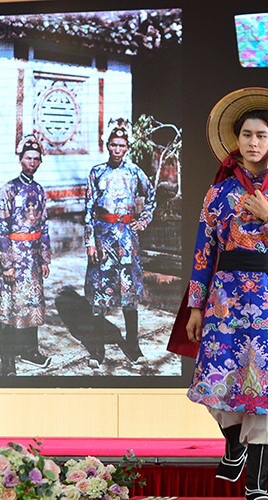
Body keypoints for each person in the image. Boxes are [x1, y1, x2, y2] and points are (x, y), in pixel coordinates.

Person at [176, 87, 268, 500]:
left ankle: (257, 481)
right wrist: (195, 307)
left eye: (262, 136)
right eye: (247, 135)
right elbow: (203, 254)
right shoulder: (217, 194)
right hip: (225, 297)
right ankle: (234, 443)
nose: (253, 142)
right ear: (236, 140)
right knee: (215, 378)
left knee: (267, 384)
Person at [84, 120, 156, 368]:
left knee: (129, 291)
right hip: (103, 238)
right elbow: (88, 209)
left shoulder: (134, 172)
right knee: (99, 292)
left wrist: (142, 221)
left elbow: (152, 196)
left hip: (127, 239)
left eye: (121, 146)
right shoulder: (96, 172)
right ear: (107, 146)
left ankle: (133, 345)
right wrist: (90, 242)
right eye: (113, 145)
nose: (117, 149)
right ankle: (97, 349)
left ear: (127, 148)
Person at [0, 134, 53, 376]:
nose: (32, 163)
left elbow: (44, 225)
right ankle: (8, 360)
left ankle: (30, 351)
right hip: (14, 257)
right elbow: (0, 228)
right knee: (9, 307)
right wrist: (7, 263)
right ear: (20, 159)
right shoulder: (9, 190)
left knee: (33, 305)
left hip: (33, 259)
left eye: (36, 159)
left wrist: (45, 258)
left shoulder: (39, 190)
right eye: (28, 158)